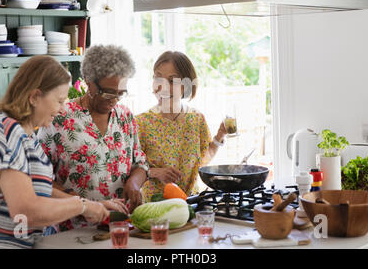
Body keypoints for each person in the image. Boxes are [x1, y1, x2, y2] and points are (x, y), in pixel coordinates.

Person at [0, 56, 111, 249]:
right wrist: (82, 207)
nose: (62, 109)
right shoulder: (6, 131)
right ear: (34, 97)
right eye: (59, 100)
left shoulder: (26, 137)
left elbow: (35, 189)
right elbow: (26, 211)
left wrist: (89, 205)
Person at [38, 44, 149, 232]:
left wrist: (134, 182)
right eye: (107, 92)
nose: (114, 100)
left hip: (122, 226)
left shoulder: (125, 117)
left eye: (120, 94)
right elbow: (39, 178)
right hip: (74, 228)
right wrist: (79, 203)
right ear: (88, 81)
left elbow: (140, 162)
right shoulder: (59, 118)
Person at [135, 51, 228, 202]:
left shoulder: (196, 119)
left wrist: (220, 136)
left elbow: (202, 159)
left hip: (192, 204)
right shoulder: (141, 123)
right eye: (158, 78)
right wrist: (154, 172)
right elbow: (128, 170)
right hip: (156, 209)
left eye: (172, 81)